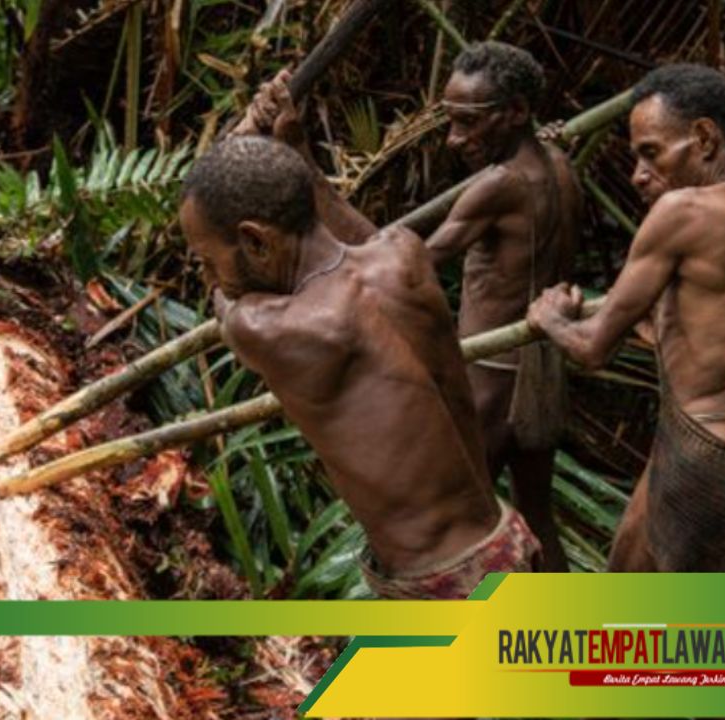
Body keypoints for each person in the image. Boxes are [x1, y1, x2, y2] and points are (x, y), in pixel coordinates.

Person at [238, 42, 580, 571]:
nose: (455, 139)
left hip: (494, 380)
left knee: (456, 536)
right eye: (451, 121)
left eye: (470, 123)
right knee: (536, 515)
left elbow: (395, 264)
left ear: (516, 112)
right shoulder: (558, 164)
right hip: (543, 368)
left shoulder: (499, 186)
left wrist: (302, 159)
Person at [180, 135, 541, 599]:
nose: (211, 277)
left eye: (208, 260)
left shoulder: (273, 328)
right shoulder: (404, 254)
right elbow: (350, 237)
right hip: (502, 538)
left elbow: (226, 307)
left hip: (445, 584)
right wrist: (294, 151)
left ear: (254, 239)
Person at [527, 63, 725, 571]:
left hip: (700, 455)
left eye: (651, 152)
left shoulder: (680, 212)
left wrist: (549, 317)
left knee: (640, 624)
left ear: (705, 138)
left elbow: (594, 347)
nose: (638, 175)